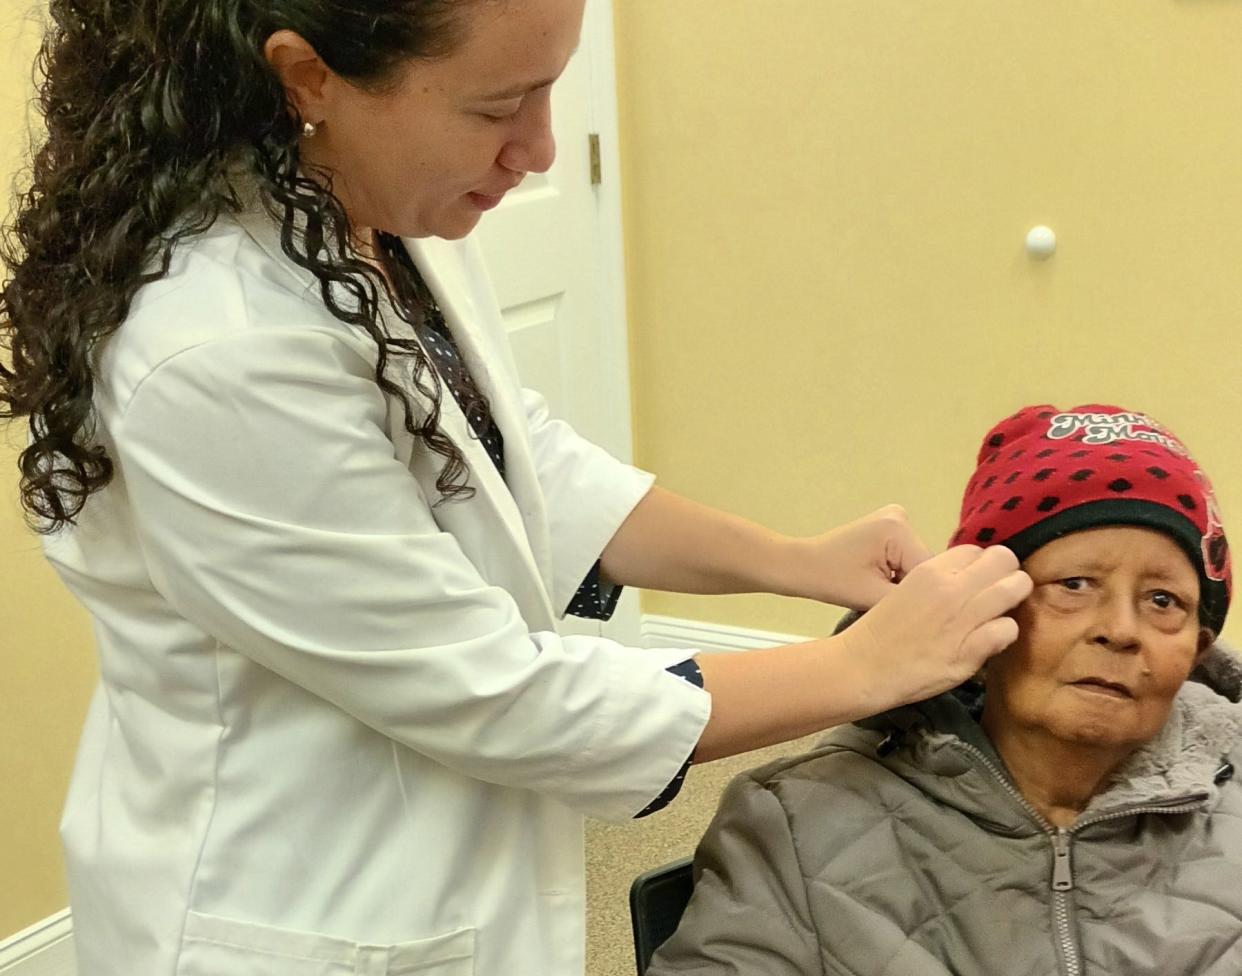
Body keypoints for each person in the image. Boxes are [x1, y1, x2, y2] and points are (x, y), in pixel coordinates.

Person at [0, 2, 1030, 973]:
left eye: (549, 92)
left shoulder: (368, 210)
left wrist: (795, 560)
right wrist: (861, 670)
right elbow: (501, 695)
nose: (536, 150)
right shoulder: (217, 349)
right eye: (497, 106)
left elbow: (513, 455)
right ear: (308, 77)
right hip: (290, 901)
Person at [648, 403, 1240, 976]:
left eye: (1164, 601)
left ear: (1198, 644)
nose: (1120, 630)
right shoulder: (795, 825)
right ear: (977, 612)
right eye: (1075, 584)